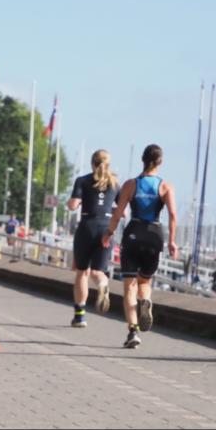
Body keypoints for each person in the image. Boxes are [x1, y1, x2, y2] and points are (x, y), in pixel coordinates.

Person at [103, 144, 178, 349]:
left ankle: (133, 331)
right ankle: (145, 301)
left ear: (142, 161)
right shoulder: (165, 187)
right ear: (160, 162)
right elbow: (172, 215)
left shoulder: (130, 184)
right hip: (154, 235)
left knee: (129, 285)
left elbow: (118, 212)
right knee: (144, 282)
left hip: (134, 232)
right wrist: (172, 241)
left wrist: (108, 233)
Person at [67, 149, 120, 328]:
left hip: (87, 226)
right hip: (106, 228)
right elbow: (124, 211)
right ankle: (103, 284)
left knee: (82, 271)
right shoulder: (114, 184)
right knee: (98, 272)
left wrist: (74, 201)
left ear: (92, 163)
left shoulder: (82, 181)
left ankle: (80, 316)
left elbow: (73, 206)